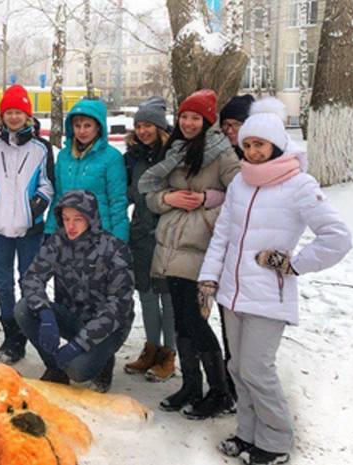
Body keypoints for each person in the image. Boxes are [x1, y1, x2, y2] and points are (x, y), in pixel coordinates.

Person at [199, 98, 351, 465]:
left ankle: (277, 441)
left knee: (256, 369)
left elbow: (337, 237)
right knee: (237, 369)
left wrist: (293, 264)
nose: (252, 152)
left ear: (277, 145)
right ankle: (248, 434)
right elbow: (222, 236)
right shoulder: (241, 183)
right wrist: (208, 280)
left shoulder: (299, 185)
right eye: (247, 144)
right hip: (233, 294)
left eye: (260, 144)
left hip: (269, 296)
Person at [138, 89, 240, 418]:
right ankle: (192, 387)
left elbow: (240, 197)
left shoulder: (223, 154)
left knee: (196, 322)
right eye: (184, 116)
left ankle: (220, 392)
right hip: (171, 247)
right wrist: (168, 199)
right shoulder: (175, 150)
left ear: (207, 121)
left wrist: (207, 203)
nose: (189, 123)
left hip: (201, 250)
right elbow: (151, 195)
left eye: (196, 118)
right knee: (182, 323)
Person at [14, 190, 134, 392]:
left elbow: (118, 307)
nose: (70, 226)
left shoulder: (115, 249)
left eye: (77, 219)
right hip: (71, 316)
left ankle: (104, 361)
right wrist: (46, 314)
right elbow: (32, 277)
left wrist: (78, 345)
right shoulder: (57, 242)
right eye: (66, 218)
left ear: (90, 218)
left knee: (77, 371)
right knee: (23, 309)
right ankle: (55, 367)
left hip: (107, 329)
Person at [0, 85, 55, 364]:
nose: (13, 117)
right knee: (2, 283)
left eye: (19, 112)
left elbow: (47, 184)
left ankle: (28, 329)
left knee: (29, 282)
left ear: (27, 116)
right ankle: (12, 336)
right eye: (8, 112)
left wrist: (32, 209)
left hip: (30, 229)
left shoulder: (41, 148)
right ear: (2, 116)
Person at [122, 96, 177, 382]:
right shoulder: (132, 157)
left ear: (160, 127)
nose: (143, 131)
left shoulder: (174, 155)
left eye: (148, 126)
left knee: (167, 296)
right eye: (139, 126)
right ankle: (151, 349)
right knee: (145, 294)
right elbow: (127, 193)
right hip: (140, 233)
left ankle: (168, 354)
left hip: (169, 235)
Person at [46, 98, 128, 241]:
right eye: (77, 126)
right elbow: (58, 197)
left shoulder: (111, 157)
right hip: (68, 232)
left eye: (87, 125)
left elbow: (117, 202)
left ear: (98, 127)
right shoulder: (64, 156)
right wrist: (50, 230)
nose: (82, 131)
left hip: (98, 234)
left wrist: (119, 241)